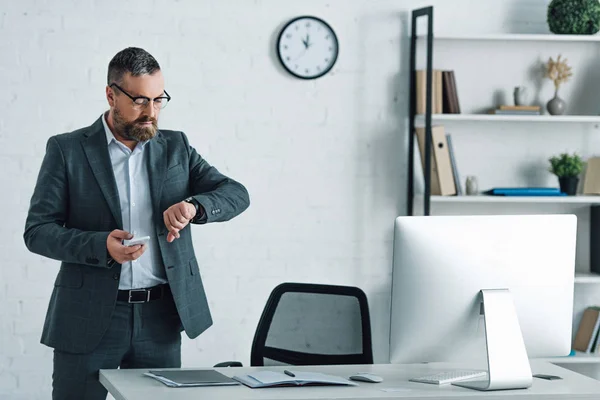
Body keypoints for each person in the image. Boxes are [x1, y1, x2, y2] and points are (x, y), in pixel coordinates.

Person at [23, 47, 250, 400]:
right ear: (111, 94)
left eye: (159, 100)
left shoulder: (176, 147)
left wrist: (194, 207)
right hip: (88, 316)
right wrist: (101, 246)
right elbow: (38, 231)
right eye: (140, 100)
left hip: (160, 318)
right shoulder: (67, 150)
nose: (151, 112)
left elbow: (235, 193)